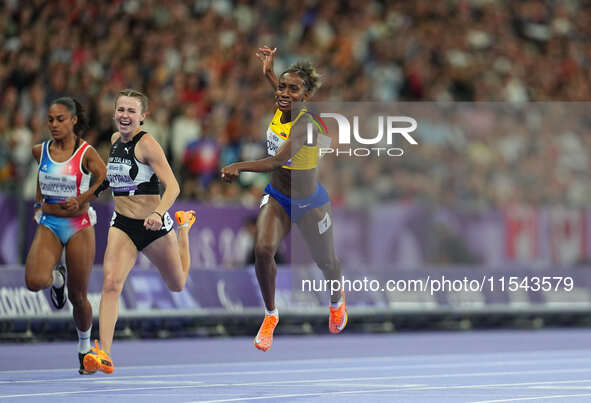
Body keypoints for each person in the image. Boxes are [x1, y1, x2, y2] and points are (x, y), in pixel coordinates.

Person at [221, 47, 347, 351]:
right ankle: (270, 315)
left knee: (325, 261)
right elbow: (275, 86)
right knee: (263, 249)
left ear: (305, 96)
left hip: (311, 203)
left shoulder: (305, 124)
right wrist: (268, 71)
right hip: (278, 197)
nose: (284, 93)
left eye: (293, 89)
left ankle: (337, 299)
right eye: (281, 86)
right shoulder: (282, 102)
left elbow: (276, 161)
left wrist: (238, 165)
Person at [83, 89, 196, 374]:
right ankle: (104, 353)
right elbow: (115, 177)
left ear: (142, 117)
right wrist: (92, 193)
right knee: (111, 283)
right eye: (121, 110)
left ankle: (184, 228)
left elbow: (174, 186)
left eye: (131, 111)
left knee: (178, 284)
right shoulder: (112, 141)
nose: (125, 116)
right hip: (123, 224)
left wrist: (160, 214)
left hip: (153, 226)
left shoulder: (148, 145)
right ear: (114, 113)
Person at [25, 97, 107, 374]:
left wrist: (82, 199)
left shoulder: (86, 153)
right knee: (35, 281)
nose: (54, 125)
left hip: (78, 226)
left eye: (60, 119)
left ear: (73, 120)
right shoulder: (40, 150)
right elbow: (41, 176)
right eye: (50, 119)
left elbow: (105, 179)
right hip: (49, 222)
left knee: (78, 296)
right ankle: (55, 279)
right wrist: (38, 206)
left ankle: (84, 346)